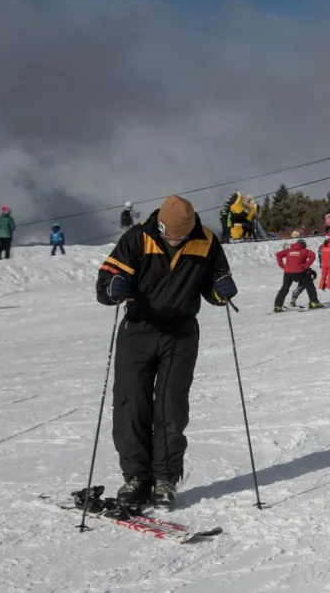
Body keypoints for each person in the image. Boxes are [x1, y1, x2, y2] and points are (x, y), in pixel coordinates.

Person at [95, 195, 237, 508]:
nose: (178, 239)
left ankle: (164, 480)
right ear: (160, 225)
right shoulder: (137, 238)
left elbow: (215, 285)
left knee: (171, 408)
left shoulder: (206, 241)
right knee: (131, 405)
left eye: (183, 235)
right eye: (172, 235)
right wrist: (112, 288)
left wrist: (222, 290)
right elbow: (106, 280)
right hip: (138, 331)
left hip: (181, 334)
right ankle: (136, 477)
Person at [274, 239, 321, 311]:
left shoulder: (289, 250)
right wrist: (306, 266)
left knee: (284, 288)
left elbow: (278, 255)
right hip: (300, 272)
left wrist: (283, 266)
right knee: (309, 286)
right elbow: (313, 255)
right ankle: (314, 302)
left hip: (288, 272)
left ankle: (277, 306)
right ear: (304, 245)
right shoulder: (304, 250)